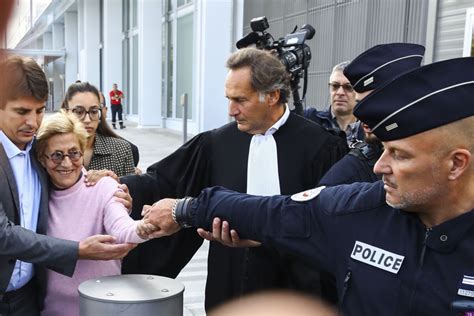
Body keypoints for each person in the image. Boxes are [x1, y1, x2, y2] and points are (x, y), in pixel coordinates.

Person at [141, 57, 474, 315]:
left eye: (399, 155)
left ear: (456, 164)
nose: (378, 167)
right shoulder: (358, 211)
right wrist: (182, 208)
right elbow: (278, 212)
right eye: (383, 150)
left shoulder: (318, 144)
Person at [121, 47, 347, 310]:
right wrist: (115, 185)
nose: (231, 109)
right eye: (229, 99)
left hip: (296, 285)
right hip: (231, 278)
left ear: (272, 95)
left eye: (240, 100)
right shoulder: (216, 143)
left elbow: (331, 221)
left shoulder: (321, 146)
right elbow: (164, 181)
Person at [0, 55, 135, 316]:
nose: (33, 122)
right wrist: (77, 251)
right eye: (22, 112)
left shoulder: (37, 151)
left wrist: (104, 180)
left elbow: (67, 171)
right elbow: (3, 234)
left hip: (29, 299)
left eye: (39, 110)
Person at [35, 112, 149, 316]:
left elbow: (122, 226)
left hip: (103, 309)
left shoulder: (103, 186)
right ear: (42, 159)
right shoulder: (37, 194)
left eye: (74, 153)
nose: (67, 163)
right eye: (57, 155)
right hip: (52, 311)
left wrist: (145, 227)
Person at [319, 43, 425, 186]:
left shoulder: (441, 150)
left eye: (375, 105)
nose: (362, 116)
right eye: (360, 104)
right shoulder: (349, 173)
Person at [61, 82, 135, 177]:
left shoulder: (121, 150)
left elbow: (129, 190)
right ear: (66, 112)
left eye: (94, 111)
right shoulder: (52, 149)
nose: (87, 120)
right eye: (79, 112)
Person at [304, 61, 364, 145]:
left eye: (348, 87)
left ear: (359, 91)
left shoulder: (369, 130)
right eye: (335, 86)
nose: (340, 92)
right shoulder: (310, 118)